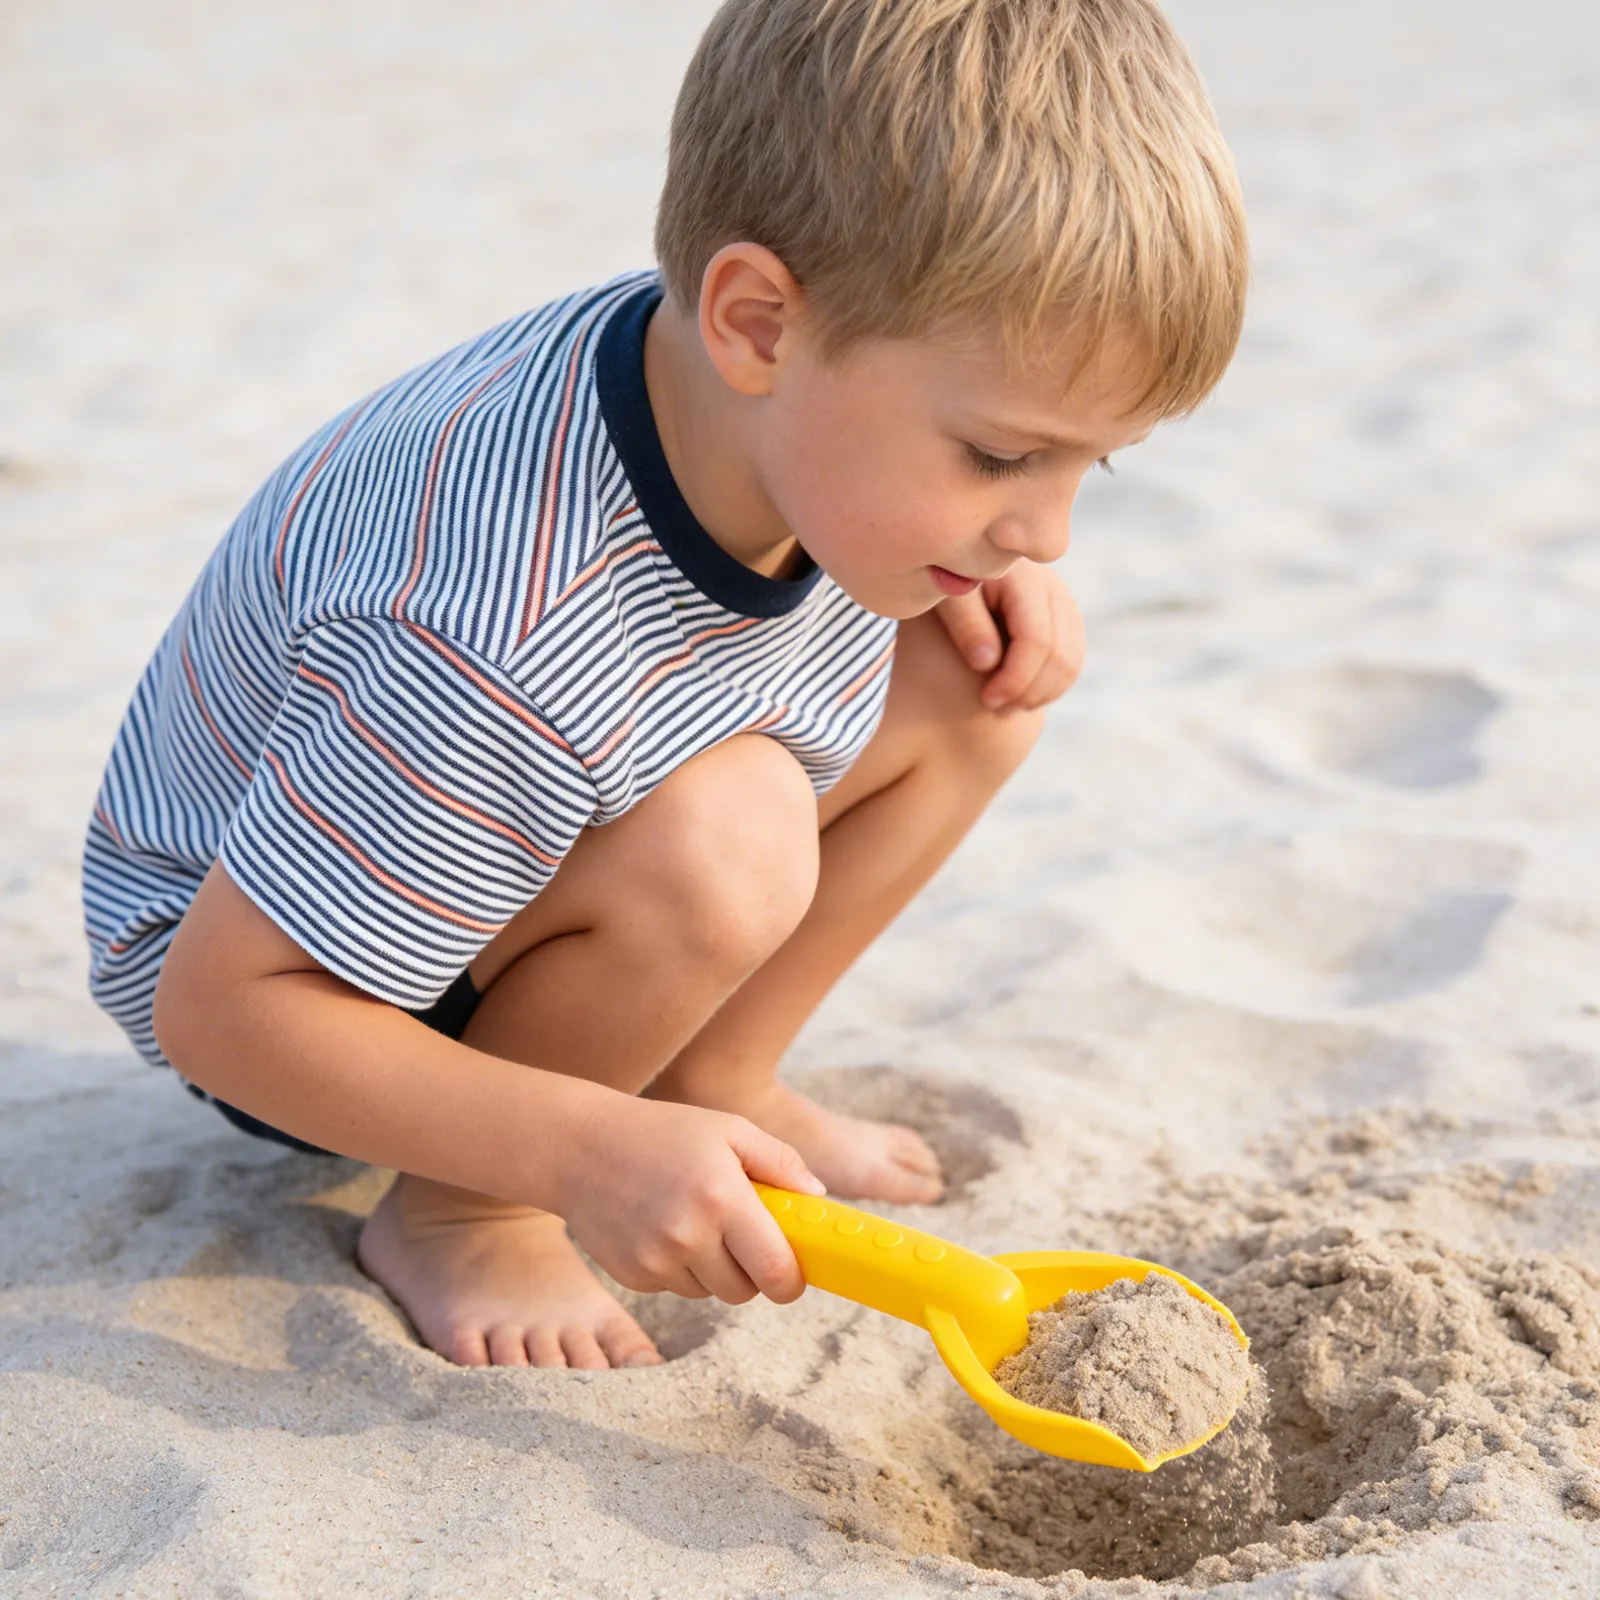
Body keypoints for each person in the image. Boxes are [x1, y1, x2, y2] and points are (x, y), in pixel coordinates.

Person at [83, 0, 1247, 1370]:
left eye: (1084, 467)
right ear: (755, 322)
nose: (1047, 531)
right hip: (318, 986)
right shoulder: (496, 624)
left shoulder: (759, 396)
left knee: (974, 673)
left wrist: (964, 544)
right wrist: (577, 1150)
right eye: (999, 459)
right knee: (729, 839)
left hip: (509, 832)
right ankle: (466, 1209)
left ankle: (709, 1071)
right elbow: (224, 1013)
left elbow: (818, 572)